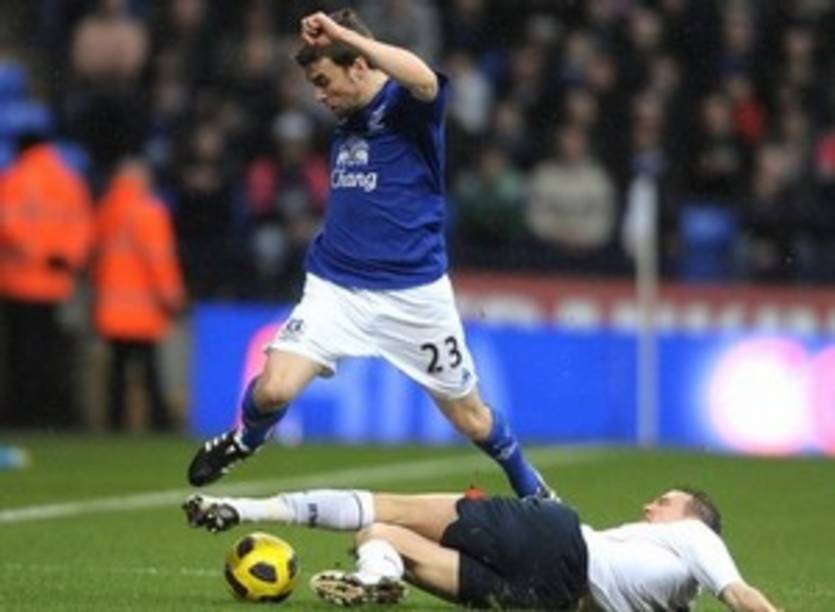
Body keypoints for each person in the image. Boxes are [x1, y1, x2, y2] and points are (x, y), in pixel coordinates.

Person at [186, 8, 550, 500]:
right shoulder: (348, 119)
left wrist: (343, 35)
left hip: (414, 294)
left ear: (358, 65)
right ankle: (246, 440)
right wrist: (334, 43)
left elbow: (423, 77)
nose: (319, 95)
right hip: (336, 287)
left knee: (472, 419)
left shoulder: (407, 106)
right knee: (272, 390)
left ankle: (533, 490)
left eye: (323, 81)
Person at [183, 486, 779, 611]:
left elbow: (740, 595)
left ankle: (246, 508)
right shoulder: (670, 600)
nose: (650, 507)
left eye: (665, 502)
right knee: (378, 538)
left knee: (389, 508)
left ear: (695, 520)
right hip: (547, 598)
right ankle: (374, 576)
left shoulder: (697, 537)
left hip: (556, 538)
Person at [0, 132, 93, 428]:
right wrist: (62, 257)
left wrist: (37, 255)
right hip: (56, 284)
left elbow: (7, 224)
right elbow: (82, 227)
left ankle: (21, 414)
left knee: (18, 356)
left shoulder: (14, 178)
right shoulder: (69, 181)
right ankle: (50, 413)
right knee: (51, 353)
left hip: (17, 282)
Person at [93, 159, 185, 431]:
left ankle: (114, 424)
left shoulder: (106, 210)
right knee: (149, 370)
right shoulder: (149, 211)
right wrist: (173, 297)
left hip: (111, 308)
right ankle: (159, 424)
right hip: (142, 309)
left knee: (117, 371)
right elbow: (159, 260)